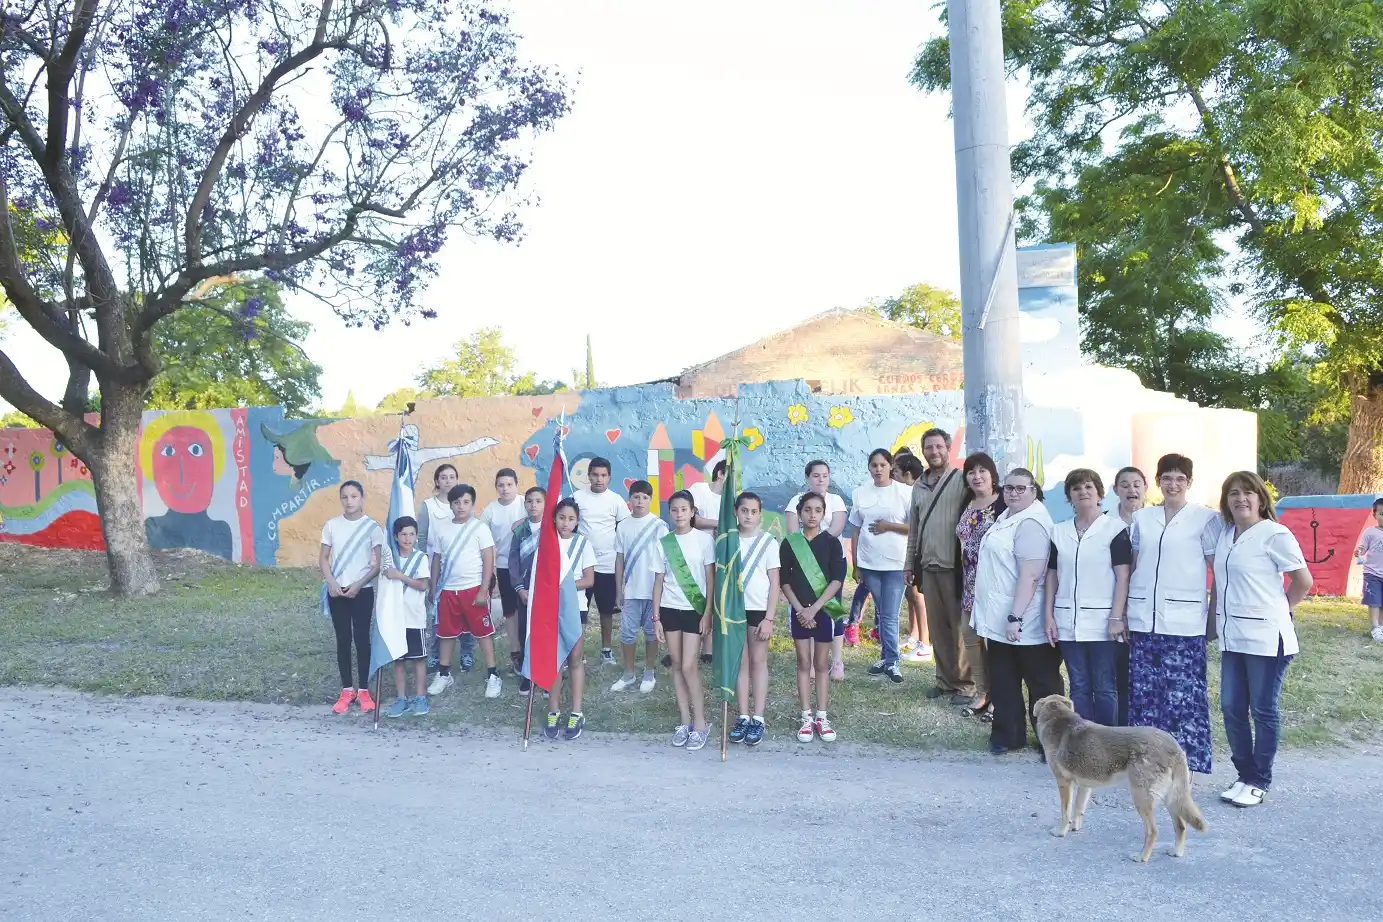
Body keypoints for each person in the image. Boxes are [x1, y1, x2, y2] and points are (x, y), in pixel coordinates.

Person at [1213, 471, 1312, 808]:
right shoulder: (1226, 535)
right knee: (1231, 707)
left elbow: (1303, 581)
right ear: (1226, 501)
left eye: (1248, 493)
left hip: (1267, 638)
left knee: (1263, 709)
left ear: (1260, 499)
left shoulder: (1275, 534)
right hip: (1233, 637)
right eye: (1234, 494)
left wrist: (1282, 609)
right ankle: (1243, 774)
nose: (1241, 499)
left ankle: (1259, 779)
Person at [1126, 454, 1223, 775]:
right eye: (1167, 478)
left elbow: (1218, 571)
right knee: (1145, 693)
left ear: (1189, 483)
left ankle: (1187, 759)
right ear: (1158, 482)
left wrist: (1214, 618)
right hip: (1144, 619)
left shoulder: (1205, 519)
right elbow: (1135, 565)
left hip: (1185, 623)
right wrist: (1125, 612)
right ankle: (1146, 758)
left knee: (1183, 695)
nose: (1173, 484)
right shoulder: (1142, 519)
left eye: (1180, 478)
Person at [972, 468, 1063, 756]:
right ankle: (1008, 735)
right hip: (1000, 616)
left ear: (1034, 491)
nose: (1013, 493)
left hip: (1026, 618)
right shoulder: (1008, 515)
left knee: (1042, 683)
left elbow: (1031, 575)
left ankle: (1052, 740)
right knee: (1004, 678)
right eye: (1009, 488)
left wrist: (1016, 618)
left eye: (1021, 488)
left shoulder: (1033, 522)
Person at [1044, 469, 1131, 726]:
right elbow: (1052, 576)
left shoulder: (1115, 529)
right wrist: (1049, 615)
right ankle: (1083, 745)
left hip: (1103, 623)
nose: (1083, 492)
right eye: (1076, 488)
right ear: (1069, 496)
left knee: (1105, 686)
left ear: (1100, 494)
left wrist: (1117, 617)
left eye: (1089, 487)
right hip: (1067, 621)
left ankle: (1108, 745)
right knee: (1079, 686)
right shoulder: (1058, 532)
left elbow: (1123, 577)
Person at [904, 428, 971, 704]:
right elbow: (914, 530)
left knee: (958, 628)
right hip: (928, 567)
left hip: (954, 566)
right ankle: (944, 681)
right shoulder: (918, 486)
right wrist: (910, 563)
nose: (934, 452)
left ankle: (966, 685)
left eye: (939, 446)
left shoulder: (961, 481)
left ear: (947, 448)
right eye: (928, 447)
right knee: (937, 628)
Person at [651, 491, 717, 751]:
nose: (679, 514)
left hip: (694, 610)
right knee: (677, 665)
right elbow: (658, 581)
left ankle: (701, 724)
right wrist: (655, 617)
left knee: (689, 665)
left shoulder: (703, 540)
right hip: (669, 609)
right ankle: (684, 721)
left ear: (693, 512)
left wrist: (708, 613)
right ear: (670, 513)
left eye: (683, 509)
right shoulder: (663, 542)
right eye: (674, 510)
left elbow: (710, 580)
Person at [779, 492, 846, 743]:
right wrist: (800, 610)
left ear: (824, 514)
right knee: (803, 664)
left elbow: (837, 579)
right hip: (799, 611)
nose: (812, 515)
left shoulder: (831, 542)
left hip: (824, 611)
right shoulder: (790, 543)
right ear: (799, 512)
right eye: (807, 510)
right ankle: (806, 716)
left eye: (818, 510)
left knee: (820, 665)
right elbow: (784, 581)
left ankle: (822, 715)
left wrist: (815, 608)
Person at [426, 483, 502, 700]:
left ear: (472, 504)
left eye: (466, 502)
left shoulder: (479, 528)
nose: (461, 506)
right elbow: (437, 560)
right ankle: (444, 673)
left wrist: (483, 589)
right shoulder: (442, 528)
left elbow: (488, 559)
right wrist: (434, 586)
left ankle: (493, 674)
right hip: (448, 590)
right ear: (450, 504)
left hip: (473, 589)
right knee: (446, 633)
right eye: (456, 502)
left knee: (483, 632)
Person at [319, 480, 384, 714]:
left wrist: (359, 584)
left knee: (362, 640)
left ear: (362, 498)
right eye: (345, 497)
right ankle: (347, 689)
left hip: (362, 591)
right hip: (337, 591)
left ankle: (365, 690)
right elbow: (324, 558)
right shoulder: (331, 526)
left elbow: (378, 564)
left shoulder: (373, 528)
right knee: (343, 640)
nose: (349, 501)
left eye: (354, 496)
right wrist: (332, 583)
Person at [850, 449, 913, 685]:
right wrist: (856, 563)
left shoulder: (904, 493)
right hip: (870, 562)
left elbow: (914, 527)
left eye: (882, 465)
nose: (878, 469)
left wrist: (888, 526)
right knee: (881, 611)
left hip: (896, 563)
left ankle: (893, 660)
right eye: (874, 465)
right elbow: (856, 528)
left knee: (890, 614)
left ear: (891, 466)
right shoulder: (860, 493)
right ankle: (886, 657)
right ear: (869, 468)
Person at [785, 460, 849, 678]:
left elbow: (837, 527)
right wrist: (808, 552)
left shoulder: (836, 500)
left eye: (824, 475)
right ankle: (810, 663)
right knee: (807, 609)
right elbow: (794, 534)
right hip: (803, 562)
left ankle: (837, 661)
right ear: (807, 478)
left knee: (832, 609)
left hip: (829, 561)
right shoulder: (795, 500)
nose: (820, 479)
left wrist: (821, 549)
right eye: (815, 475)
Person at [728, 492, 782, 747]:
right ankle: (742, 715)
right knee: (740, 664)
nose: (748, 516)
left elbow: (774, 583)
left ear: (760, 514)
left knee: (758, 661)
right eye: (744, 511)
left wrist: (769, 618)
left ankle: (758, 717)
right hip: (735, 610)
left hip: (759, 610)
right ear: (736, 512)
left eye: (753, 512)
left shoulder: (768, 542)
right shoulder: (728, 541)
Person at [540, 497, 597, 741]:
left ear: (577, 521)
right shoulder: (546, 543)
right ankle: (553, 710)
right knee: (554, 660)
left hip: (576, 607)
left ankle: (576, 711)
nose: (565, 523)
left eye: (571, 518)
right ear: (554, 518)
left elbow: (588, 579)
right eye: (561, 517)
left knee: (574, 658)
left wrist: (563, 586)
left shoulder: (583, 544)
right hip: (550, 608)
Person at [954, 451, 1004, 721]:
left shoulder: (1005, 502)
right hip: (970, 581)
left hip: (996, 583)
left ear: (992, 474)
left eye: (982, 470)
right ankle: (982, 692)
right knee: (971, 638)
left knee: (995, 642)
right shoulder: (968, 502)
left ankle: (1001, 696)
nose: (977, 476)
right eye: (971, 472)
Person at [573, 456, 631, 666]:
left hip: (607, 564)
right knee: (580, 611)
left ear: (609, 477)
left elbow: (624, 530)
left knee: (606, 611)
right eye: (595, 475)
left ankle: (606, 650)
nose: (599, 479)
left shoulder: (616, 501)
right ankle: (577, 652)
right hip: (582, 566)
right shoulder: (577, 498)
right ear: (588, 476)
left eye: (603, 475)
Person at [612, 480, 668, 693]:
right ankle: (628, 673)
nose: (640, 501)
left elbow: (665, 561)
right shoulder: (624, 525)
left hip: (653, 591)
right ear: (630, 499)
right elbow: (619, 559)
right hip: (632, 591)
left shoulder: (659, 526)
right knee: (627, 633)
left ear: (650, 500)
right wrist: (619, 590)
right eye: (636, 497)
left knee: (652, 634)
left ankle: (649, 672)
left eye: (645, 497)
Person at [418, 463, 475, 670]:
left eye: (452, 477)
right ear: (437, 481)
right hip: (436, 566)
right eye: (443, 477)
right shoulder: (428, 506)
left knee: (466, 611)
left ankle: (467, 652)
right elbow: (422, 539)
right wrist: (423, 570)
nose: (448, 481)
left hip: (462, 567)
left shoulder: (464, 505)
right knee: (437, 612)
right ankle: (435, 653)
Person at [382, 516, 433, 718]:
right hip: (395, 618)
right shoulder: (391, 560)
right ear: (396, 536)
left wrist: (400, 576)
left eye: (412, 534)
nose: (408, 538)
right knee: (399, 660)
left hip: (414, 617)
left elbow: (423, 585)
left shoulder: (420, 558)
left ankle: (420, 696)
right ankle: (401, 698)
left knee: (418, 659)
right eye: (403, 534)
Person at [480, 468, 527, 675]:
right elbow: (482, 538)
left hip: (527, 566)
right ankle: (516, 653)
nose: (505, 489)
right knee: (510, 611)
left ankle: (531, 651)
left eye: (509, 484)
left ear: (516, 485)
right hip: (505, 566)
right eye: (501, 485)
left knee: (528, 609)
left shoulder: (527, 503)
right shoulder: (490, 510)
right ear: (496, 487)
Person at [1111, 465, 1147, 725]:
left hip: (1148, 610)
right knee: (1118, 674)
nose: (1131, 490)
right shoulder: (1105, 525)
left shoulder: (1156, 523)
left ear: (1145, 488)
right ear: (1115, 490)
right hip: (1114, 608)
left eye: (1136, 484)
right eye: (1125, 484)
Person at [892, 452, 931, 661]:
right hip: (908, 552)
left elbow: (914, 526)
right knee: (910, 595)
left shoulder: (916, 492)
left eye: (895, 471)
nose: (892, 475)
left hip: (919, 551)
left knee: (918, 596)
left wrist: (887, 526)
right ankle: (914, 635)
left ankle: (925, 643)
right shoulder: (908, 492)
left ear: (907, 474)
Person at [689, 458, 727, 664]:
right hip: (694, 551)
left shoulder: (728, 500)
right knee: (693, 593)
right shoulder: (699, 489)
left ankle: (708, 647)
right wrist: (719, 523)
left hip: (716, 553)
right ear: (720, 474)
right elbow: (692, 519)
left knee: (712, 595)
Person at [510, 486, 546, 695]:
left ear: (545, 504)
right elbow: (513, 561)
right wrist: (520, 588)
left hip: (546, 591)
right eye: (530, 501)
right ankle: (528, 674)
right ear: (525, 505)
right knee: (526, 632)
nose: (533, 505)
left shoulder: (551, 529)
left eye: (538, 501)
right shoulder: (519, 531)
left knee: (545, 632)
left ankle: (546, 674)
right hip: (524, 592)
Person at [1353, 497, 1383, 643]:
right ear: (1375, 515)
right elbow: (1362, 549)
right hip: (1372, 573)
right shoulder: (1370, 532)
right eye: (1382, 513)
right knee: (1374, 601)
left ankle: (1381, 627)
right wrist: (1358, 552)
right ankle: (1375, 627)